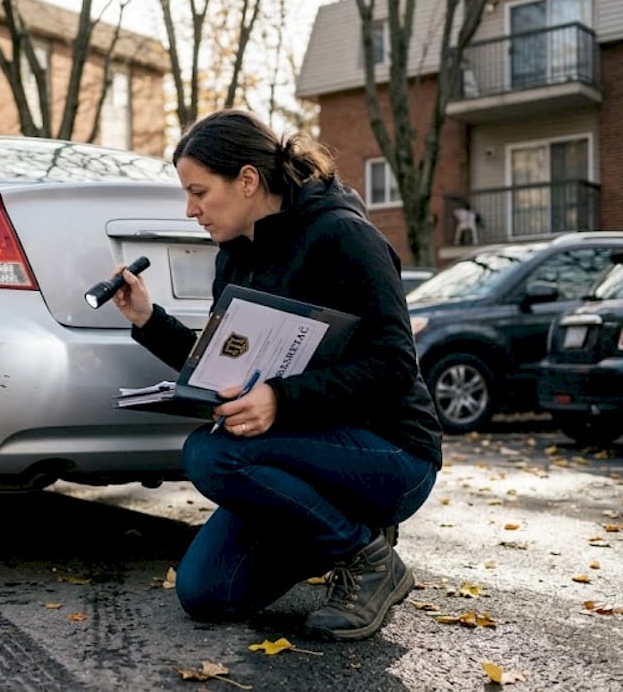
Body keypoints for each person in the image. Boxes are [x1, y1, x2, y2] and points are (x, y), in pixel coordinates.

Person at [111, 109, 443, 641]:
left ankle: (368, 560)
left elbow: (395, 364)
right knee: (207, 594)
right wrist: (150, 321)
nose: (190, 209)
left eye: (199, 191)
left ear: (246, 180)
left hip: (392, 452)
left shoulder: (343, 236)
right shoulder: (234, 258)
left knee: (210, 452)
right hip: (304, 458)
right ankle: (345, 531)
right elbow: (224, 364)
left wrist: (280, 400)